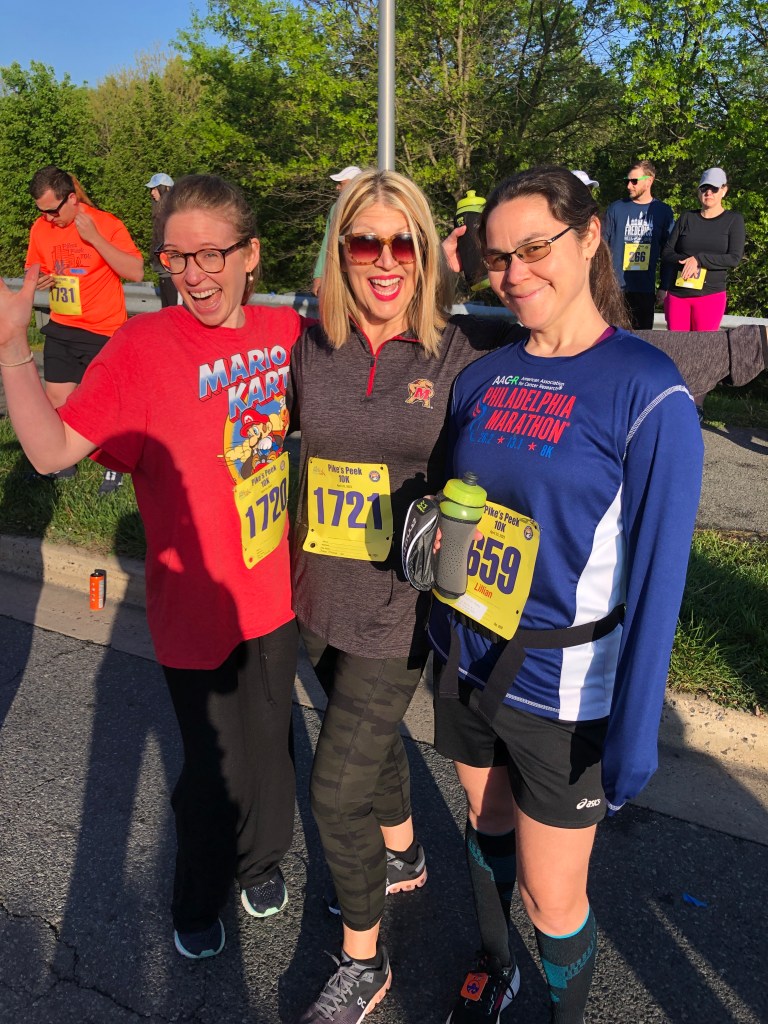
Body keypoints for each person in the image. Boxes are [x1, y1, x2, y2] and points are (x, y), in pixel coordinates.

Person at [426, 166, 703, 1024]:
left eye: (535, 248)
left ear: (589, 239)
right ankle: (494, 962)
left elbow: (659, 582)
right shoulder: (482, 376)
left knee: (552, 897)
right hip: (467, 657)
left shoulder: (647, 391)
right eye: (498, 257)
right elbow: (451, 505)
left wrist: (634, 737)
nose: (514, 274)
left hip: (564, 693)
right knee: (487, 824)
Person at [1, 174, 302, 962]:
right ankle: (197, 900)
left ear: (250, 255)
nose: (193, 275)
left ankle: (262, 862)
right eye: (176, 257)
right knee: (212, 773)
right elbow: (51, 452)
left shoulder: (286, 334)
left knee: (275, 753)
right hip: (193, 612)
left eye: (211, 255)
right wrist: (11, 351)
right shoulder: (142, 348)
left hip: (275, 597)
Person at [290, 168, 519, 1023]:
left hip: (398, 608)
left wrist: (736, 349)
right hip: (317, 593)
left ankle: (364, 962)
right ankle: (404, 855)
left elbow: (585, 348)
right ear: (341, 251)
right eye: (365, 242)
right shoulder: (310, 344)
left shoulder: (462, 350)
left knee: (333, 790)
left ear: (427, 253)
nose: (385, 261)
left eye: (403, 242)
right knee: (370, 744)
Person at [26, 166, 144, 491]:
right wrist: (39, 279)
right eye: (42, 211)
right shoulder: (40, 228)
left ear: (71, 199)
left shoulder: (105, 223)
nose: (48, 218)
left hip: (103, 330)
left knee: (106, 403)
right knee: (56, 398)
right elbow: (33, 268)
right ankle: (63, 463)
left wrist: (94, 239)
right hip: (62, 326)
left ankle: (115, 466)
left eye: (53, 210)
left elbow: (136, 271)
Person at [662, 167, 745, 329]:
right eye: (704, 188)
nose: (708, 193)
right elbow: (667, 252)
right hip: (678, 295)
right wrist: (687, 261)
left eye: (714, 188)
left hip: (710, 296)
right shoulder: (687, 217)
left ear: (724, 190)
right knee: (676, 344)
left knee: (704, 345)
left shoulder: (733, 220)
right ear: (698, 191)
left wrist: (699, 259)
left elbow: (734, 258)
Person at [602, 159, 675, 330]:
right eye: (627, 181)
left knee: (642, 339)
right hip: (616, 289)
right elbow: (601, 248)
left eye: (634, 181)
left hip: (645, 289)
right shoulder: (616, 209)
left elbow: (668, 252)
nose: (629, 186)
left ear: (649, 181)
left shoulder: (663, 211)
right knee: (614, 338)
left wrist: (664, 286)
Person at [311, 165, 362, 295]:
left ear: (354, 184)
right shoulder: (336, 208)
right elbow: (328, 242)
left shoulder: (371, 206)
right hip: (340, 275)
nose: (337, 187)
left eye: (341, 183)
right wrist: (319, 275)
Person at [146, 172, 178, 308]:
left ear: (167, 189)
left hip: (172, 272)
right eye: (151, 189)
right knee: (167, 310)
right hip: (163, 271)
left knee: (174, 310)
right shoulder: (160, 212)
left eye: (155, 188)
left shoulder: (174, 212)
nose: (152, 193)